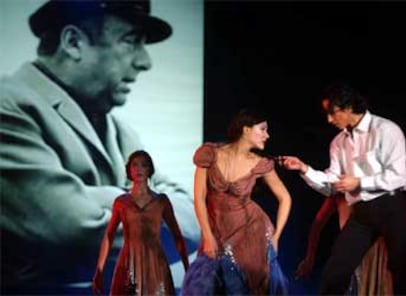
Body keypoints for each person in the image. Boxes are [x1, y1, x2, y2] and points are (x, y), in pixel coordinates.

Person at [0, 1, 198, 294]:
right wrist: (128, 198)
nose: (145, 62)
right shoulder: (9, 107)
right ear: (73, 42)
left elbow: (192, 216)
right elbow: (76, 236)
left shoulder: (118, 129)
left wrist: (101, 198)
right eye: (131, 41)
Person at [279, 81, 406, 295]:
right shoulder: (338, 142)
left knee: (400, 270)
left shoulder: (386, 130)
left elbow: (400, 177)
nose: (329, 119)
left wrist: (360, 182)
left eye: (333, 113)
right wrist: (304, 169)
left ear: (349, 107)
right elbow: (332, 185)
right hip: (361, 214)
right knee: (336, 270)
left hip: (390, 207)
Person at [182, 108, 292, 295]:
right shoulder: (209, 154)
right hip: (218, 230)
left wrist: (276, 236)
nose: (267, 135)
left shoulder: (261, 164)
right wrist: (208, 236)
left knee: (241, 287)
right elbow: (199, 198)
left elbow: (285, 198)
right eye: (263, 129)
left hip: (252, 234)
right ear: (246, 129)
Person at [92, 150, 189, 296]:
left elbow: (177, 236)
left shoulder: (161, 201)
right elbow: (109, 235)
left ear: (149, 169)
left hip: (155, 264)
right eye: (135, 165)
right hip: (128, 264)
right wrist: (99, 270)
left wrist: (188, 269)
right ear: (129, 170)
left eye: (143, 165)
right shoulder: (121, 202)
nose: (139, 169)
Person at [295, 195, 393, 295]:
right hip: (350, 254)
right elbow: (317, 225)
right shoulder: (338, 195)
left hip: (374, 254)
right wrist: (309, 258)